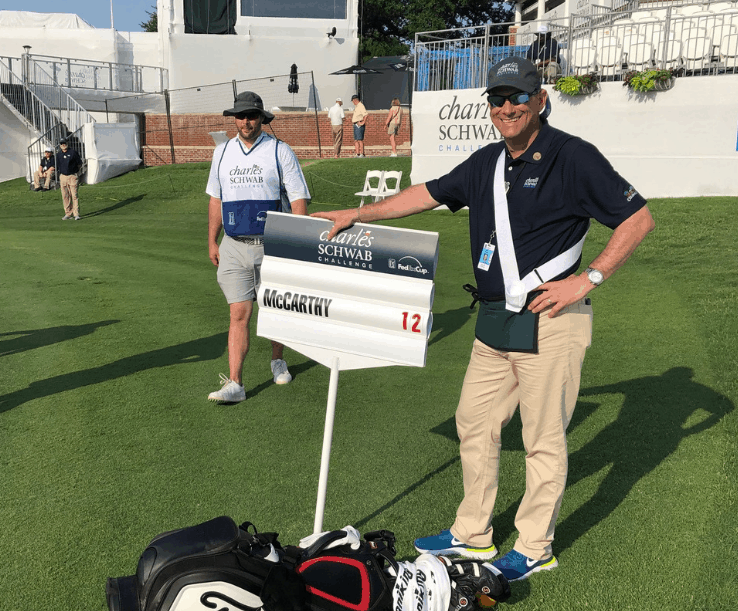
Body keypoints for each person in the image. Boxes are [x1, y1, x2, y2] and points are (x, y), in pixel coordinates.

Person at [313, 56, 654, 581]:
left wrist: (589, 279)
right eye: (498, 99)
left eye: (518, 97)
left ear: (540, 100)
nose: (507, 107)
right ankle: (473, 534)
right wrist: (358, 212)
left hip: (551, 319)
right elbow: (423, 195)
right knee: (474, 422)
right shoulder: (485, 162)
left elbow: (637, 218)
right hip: (494, 320)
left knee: (543, 439)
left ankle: (536, 546)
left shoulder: (573, 156)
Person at [206, 91, 311, 403]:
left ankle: (278, 359)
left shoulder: (280, 151)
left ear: (262, 118)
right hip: (234, 244)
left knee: (275, 306)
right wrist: (212, 238)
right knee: (239, 312)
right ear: (234, 119)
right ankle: (236, 383)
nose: (246, 121)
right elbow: (216, 198)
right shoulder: (222, 152)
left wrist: (297, 240)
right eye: (240, 116)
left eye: (251, 115)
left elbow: (298, 197)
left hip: (273, 243)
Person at [56, 138, 83, 220]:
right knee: (65, 196)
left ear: (67, 143)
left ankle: (76, 214)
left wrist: (76, 173)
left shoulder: (73, 153)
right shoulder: (59, 154)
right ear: (60, 145)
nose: (63, 145)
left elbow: (79, 164)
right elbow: (58, 165)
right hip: (63, 176)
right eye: (61, 143)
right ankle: (68, 213)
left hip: (72, 176)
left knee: (74, 195)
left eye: (64, 143)